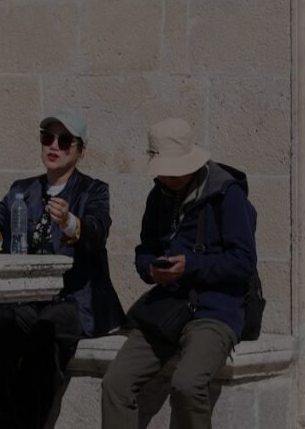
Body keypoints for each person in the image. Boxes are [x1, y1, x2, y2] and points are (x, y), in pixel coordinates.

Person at [0, 108, 125, 429]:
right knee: (3, 327)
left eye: (64, 140)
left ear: (80, 151)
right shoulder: (22, 190)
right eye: (47, 137)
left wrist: (70, 222)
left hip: (73, 300)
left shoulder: (93, 190)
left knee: (45, 334)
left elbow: (97, 231)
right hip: (27, 297)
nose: (53, 146)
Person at [101, 117, 257, 429]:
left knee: (187, 384)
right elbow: (145, 250)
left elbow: (243, 263)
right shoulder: (158, 196)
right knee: (115, 384)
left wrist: (191, 265)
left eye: (174, 169)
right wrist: (151, 269)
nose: (168, 176)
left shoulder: (227, 194)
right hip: (168, 308)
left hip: (215, 309)